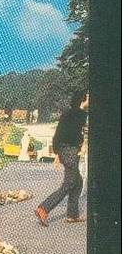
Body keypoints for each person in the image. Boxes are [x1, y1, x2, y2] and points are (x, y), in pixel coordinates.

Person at [36, 91, 89, 226]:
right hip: (71, 151)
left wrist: (57, 153)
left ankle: (72, 215)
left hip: (64, 150)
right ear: (82, 101)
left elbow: (58, 135)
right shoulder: (81, 115)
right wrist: (81, 144)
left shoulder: (66, 114)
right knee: (69, 183)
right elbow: (77, 133)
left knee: (77, 182)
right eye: (88, 98)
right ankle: (44, 208)